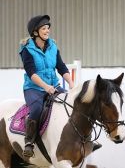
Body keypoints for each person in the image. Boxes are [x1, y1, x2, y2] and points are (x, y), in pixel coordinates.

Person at [19, 15, 74, 157]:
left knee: (70, 103)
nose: (47, 30)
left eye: (48, 28)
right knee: (37, 108)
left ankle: (80, 138)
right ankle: (29, 142)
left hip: (53, 85)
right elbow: (31, 73)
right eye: (44, 28)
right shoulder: (27, 49)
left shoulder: (53, 46)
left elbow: (61, 67)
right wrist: (45, 87)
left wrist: (71, 83)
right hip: (34, 88)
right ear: (35, 32)